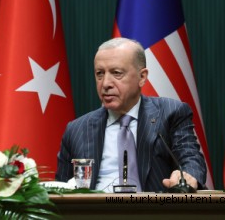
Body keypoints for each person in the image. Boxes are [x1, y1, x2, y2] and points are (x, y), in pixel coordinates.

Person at [56, 37, 207, 192]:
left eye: (116, 73)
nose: (105, 83)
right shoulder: (77, 130)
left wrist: (187, 176)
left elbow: (191, 159)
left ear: (142, 77)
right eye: (99, 73)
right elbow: (61, 191)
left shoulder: (170, 113)